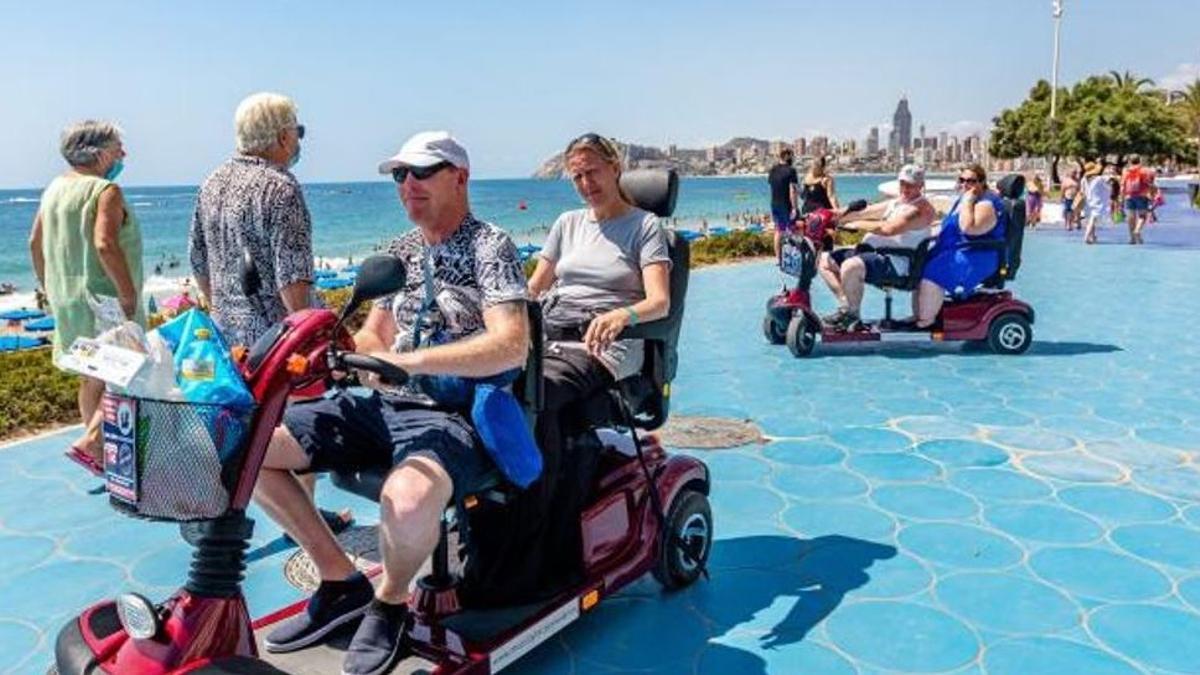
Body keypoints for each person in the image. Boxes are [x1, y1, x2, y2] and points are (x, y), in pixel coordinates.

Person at [255, 131, 529, 675]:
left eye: (422, 172)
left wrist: (415, 364)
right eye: (399, 175)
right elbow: (375, 335)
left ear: (460, 177)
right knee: (248, 442)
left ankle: (391, 601)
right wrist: (346, 352)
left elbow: (511, 342)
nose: (408, 185)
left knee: (405, 502)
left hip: (455, 414)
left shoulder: (488, 245)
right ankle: (339, 581)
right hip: (384, 405)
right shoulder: (399, 252)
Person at [188, 92, 351, 536]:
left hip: (232, 334)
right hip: (279, 338)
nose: (298, 142)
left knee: (247, 435)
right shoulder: (280, 187)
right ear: (281, 136)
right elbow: (293, 277)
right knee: (298, 432)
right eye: (297, 132)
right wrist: (313, 337)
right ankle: (304, 521)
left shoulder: (212, 182)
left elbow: (199, 262)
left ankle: (239, 515)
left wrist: (222, 309)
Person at [524, 133, 671, 590]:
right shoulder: (567, 224)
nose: (586, 183)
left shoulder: (644, 227)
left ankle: (547, 533)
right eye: (577, 176)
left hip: (607, 343)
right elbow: (534, 290)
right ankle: (508, 512)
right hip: (552, 334)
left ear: (615, 167)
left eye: (593, 172)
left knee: (537, 396)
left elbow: (659, 302)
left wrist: (620, 314)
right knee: (493, 382)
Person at [28, 120, 144, 475]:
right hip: (104, 297)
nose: (123, 153)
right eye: (116, 147)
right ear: (98, 152)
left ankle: (99, 453)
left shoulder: (54, 189)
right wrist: (127, 294)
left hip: (68, 296)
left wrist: (51, 286)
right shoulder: (104, 190)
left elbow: (35, 242)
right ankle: (92, 442)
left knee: (92, 373)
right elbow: (105, 244)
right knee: (131, 368)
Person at [818, 164, 936, 330]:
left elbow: (889, 229)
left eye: (911, 184)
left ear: (921, 186)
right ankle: (846, 307)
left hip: (897, 263)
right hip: (876, 256)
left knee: (851, 265)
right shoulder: (896, 202)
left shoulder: (920, 209)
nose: (905, 188)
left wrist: (857, 224)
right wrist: (830, 215)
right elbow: (865, 212)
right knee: (825, 260)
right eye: (902, 183)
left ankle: (852, 316)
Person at [916, 164, 1007, 328]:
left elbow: (969, 228)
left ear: (982, 182)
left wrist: (967, 201)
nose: (965, 184)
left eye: (971, 181)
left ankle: (926, 321)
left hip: (976, 255)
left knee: (932, 272)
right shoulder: (964, 200)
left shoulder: (987, 203)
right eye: (962, 180)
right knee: (918, 263)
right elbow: (947, 225)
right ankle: (921, 315)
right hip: (956, 250)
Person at [766, 147, 799, 264]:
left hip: (774, 203)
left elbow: (773, 186)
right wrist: (794, 207)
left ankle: (778, 259)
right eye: (792, 156)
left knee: (779, 231)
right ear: (786, 156)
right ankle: (793, 258)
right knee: (793, 230)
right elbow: (792, 190)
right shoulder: (791, 171)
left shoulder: (773, 170)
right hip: (787, 204)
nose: (793, 158)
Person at [1122, 155, 1153, 244]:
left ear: (1129, 161)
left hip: (1129, 196)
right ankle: (1137, 230)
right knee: (1142, 215)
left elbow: (1122, 184)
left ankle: (1132, 238)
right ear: (1139, 160)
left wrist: (1121, 196)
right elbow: (1148, 183)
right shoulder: (1144, 170)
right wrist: (1151, 193)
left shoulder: (1126, 171)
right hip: (1142, 195)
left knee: (1131, 216)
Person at [1081, 161, 1109, 244]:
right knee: (1092, 219)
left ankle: (1092, 236)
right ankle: (1086, 236)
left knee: (1090, 219)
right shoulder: (1099, 179)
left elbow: (1082, 191)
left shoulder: (1083, 179)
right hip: (1097, 201)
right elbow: (1108, 185)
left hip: (1087, 201)